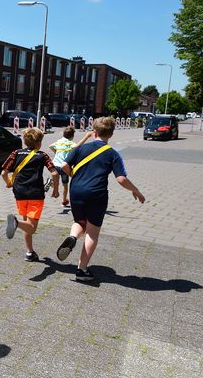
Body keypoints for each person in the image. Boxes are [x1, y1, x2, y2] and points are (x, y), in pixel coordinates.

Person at [55, 117, 145, 282]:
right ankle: (82, 270)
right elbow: (121, 179)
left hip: (76, 192)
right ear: (110, 135)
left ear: (93, 132)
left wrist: (75, 176)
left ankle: (73, 237)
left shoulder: (80, 149)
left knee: (80, 222)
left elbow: (64, 166)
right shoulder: (112, 154)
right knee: (92, 232)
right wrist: (136, 191)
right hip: (97, 194)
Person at [1, 128, 59, 262]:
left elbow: (4, 173)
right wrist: (55, 190)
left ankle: (29, 252)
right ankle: (15, 222)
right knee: (31, 228)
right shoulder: (42, 155)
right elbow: (55, 173)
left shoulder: (16, 153)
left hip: (19, 192)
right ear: (38, 143)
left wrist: (9, 183)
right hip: (35, 194)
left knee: (26, 223)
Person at [49, 127, 93, 206]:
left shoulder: (59, 141)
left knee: (55, 180)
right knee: (65, 185)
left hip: (55, 165)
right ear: (72, 136)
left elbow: (50, 146)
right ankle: (63, 201)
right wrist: (86, 136)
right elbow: (77, 147)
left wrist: (56, 152)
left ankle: (51, 183)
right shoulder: (70, 143)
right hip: (64, 166)